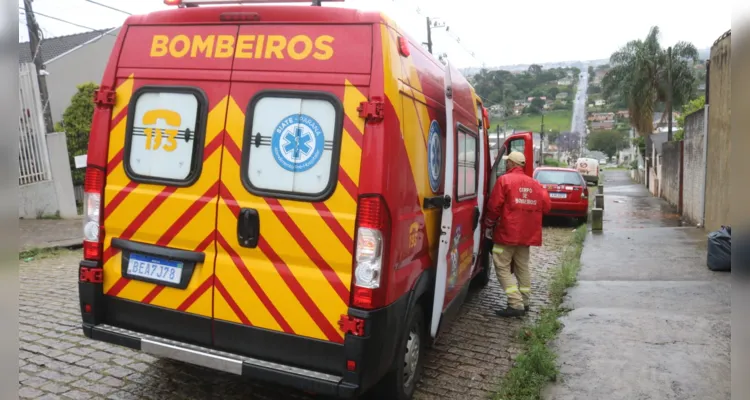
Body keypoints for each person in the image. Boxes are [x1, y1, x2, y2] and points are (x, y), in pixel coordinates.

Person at [484, 151, 551, 317]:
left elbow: (494, 207)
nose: (506, 164)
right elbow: (547, 206)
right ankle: (525, 300)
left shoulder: (504, 180)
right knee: (522, 267)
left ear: (512, 164)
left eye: (508, 162)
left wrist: (488, 224)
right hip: (526, 236)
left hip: (506, 234)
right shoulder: (535, 184)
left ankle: (515, 303)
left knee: (501, 266)